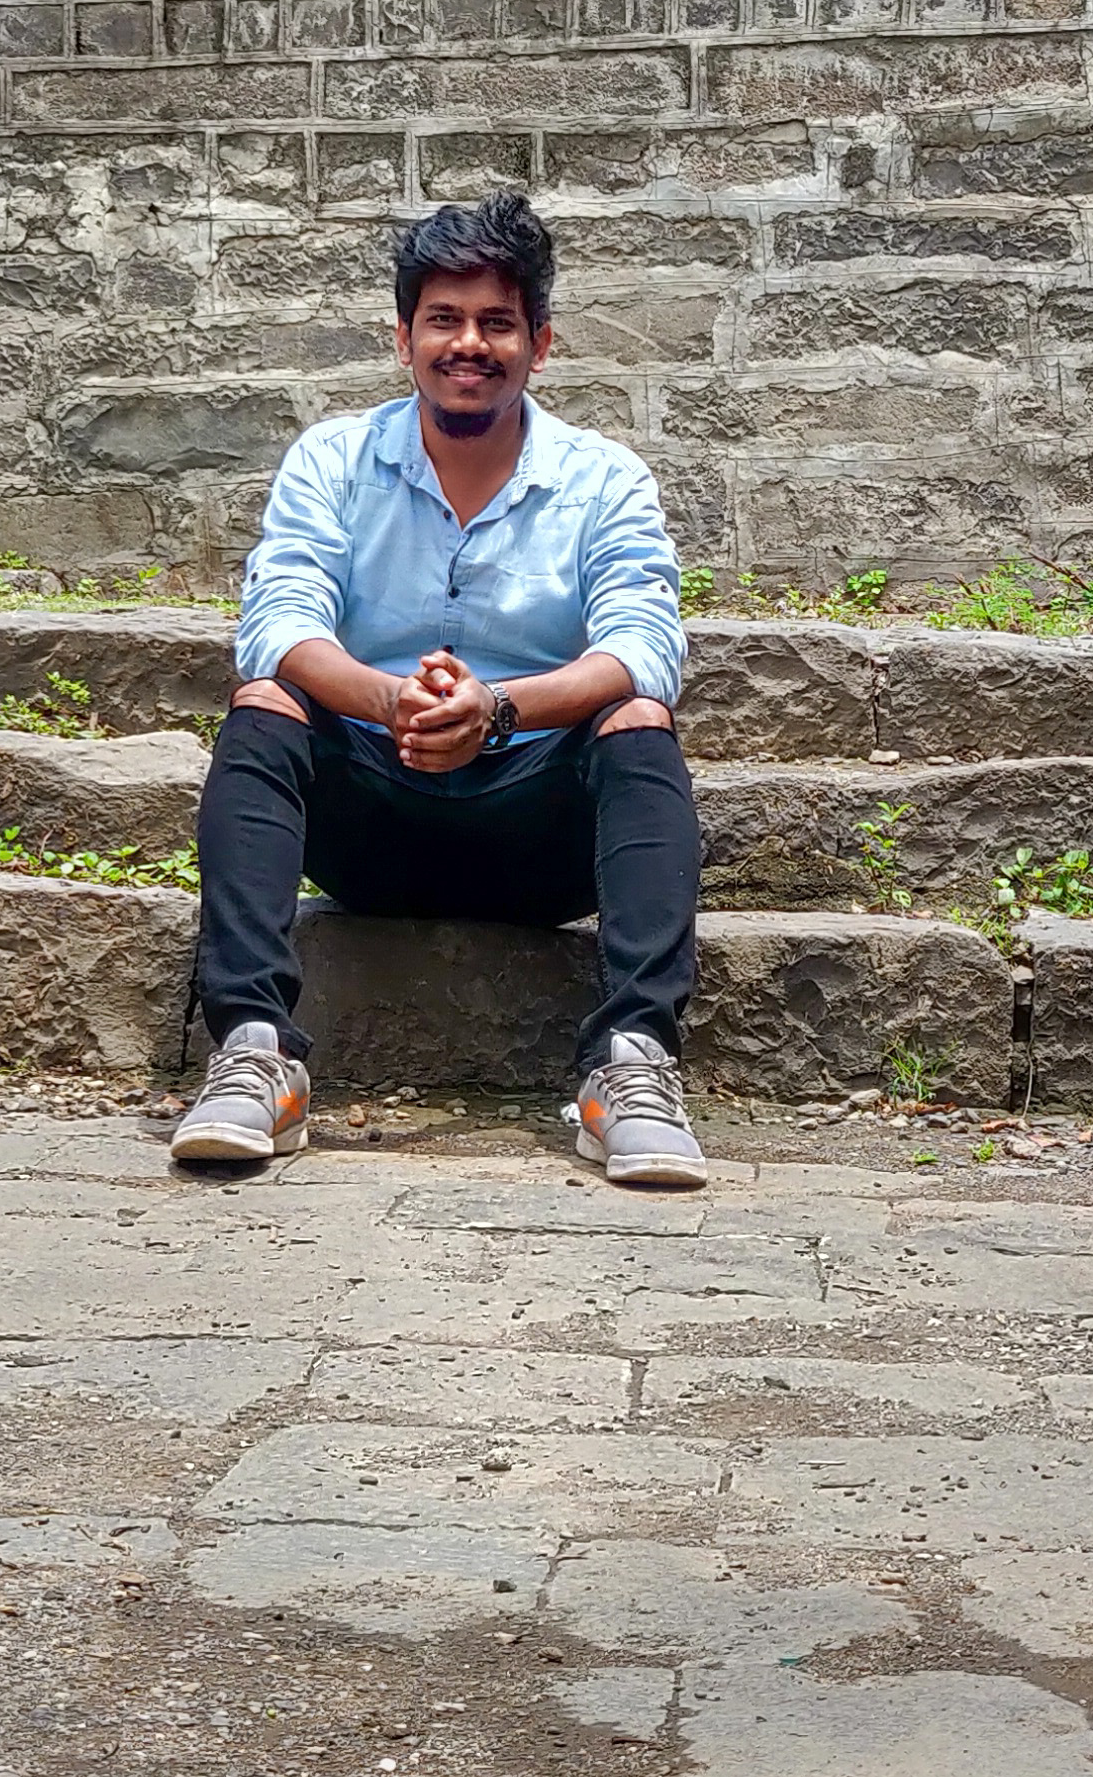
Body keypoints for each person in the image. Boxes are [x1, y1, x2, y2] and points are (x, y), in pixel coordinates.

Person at [167, 188, 706, 1188]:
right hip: (372, 820)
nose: (469, 344)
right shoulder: (334, 460)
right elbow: (278, 624)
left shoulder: (605, 479)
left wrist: (497, 710)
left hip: (539, 837)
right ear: (403, 338)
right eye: (444, 320)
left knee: (637, 713)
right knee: (266, 702)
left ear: (540, 344)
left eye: (497, 323)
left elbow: (644, 645)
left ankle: (632, 1064)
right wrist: (390, 704)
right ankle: (253, 1050)